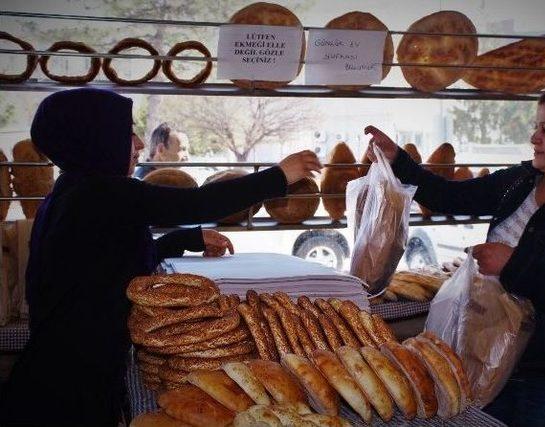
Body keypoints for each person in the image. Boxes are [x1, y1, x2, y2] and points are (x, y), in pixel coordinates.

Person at [0, 88, 321, 426]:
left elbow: (114, 263)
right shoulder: (100, 192)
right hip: (68, 387)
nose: (139, 143)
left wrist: (187, 239)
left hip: (71, 366)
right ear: (95, 139)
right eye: (126, 133)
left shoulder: (73, 194)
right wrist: (279, 175)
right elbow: (197, 203)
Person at [365, 85, 545, 427]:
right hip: (494, 362)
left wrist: (512, 265)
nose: (535, 137)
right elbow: (451, 197)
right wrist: (397, 159)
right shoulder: (520, 182)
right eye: (536, 127)